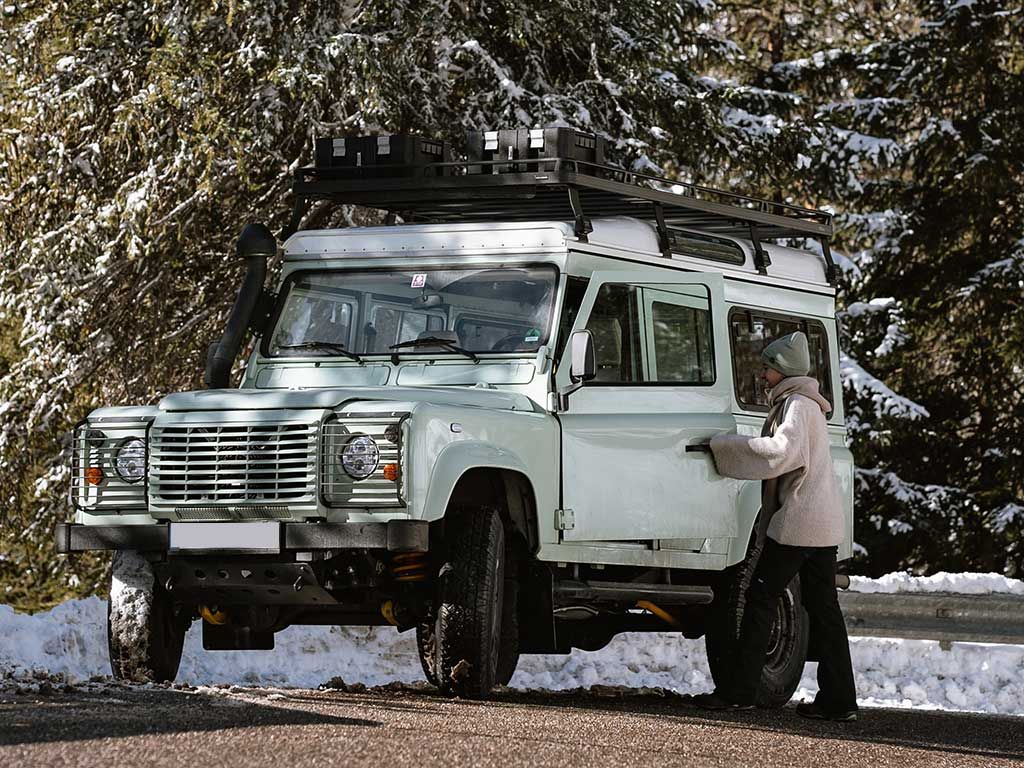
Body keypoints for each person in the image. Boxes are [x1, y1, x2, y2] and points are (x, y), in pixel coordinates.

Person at [692, 331, 859, 721]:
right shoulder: (806, 404)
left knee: (759, 599)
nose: (763, 374)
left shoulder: (798, 405)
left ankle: (739, 691)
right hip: (821, 524)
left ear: (781, 370)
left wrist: (726, 446)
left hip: (800, 523)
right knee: (824, 610)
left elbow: (782, 453)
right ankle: (840, 699)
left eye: (767, 368)